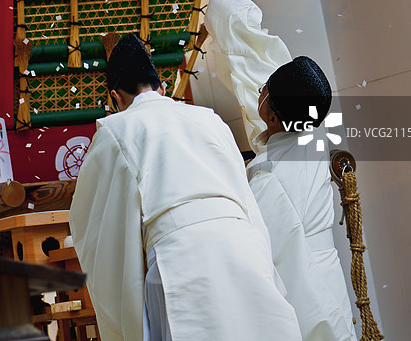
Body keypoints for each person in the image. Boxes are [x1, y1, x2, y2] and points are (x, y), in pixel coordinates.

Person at [69, 32, 302, 341]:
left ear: (116, 98)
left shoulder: (116, 128)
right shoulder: (210, 119)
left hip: (179, 259)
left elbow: (93, 223)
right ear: (162, 89)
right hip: (243, 246)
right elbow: (244, 197)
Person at [206, 0, 357, 341]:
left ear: (271, 117)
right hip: (328, 279)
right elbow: (254, 53)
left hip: (304, 294)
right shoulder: (312, 134)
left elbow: (259, 254)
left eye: (264, 93)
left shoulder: (269, 177)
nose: (258, 92)